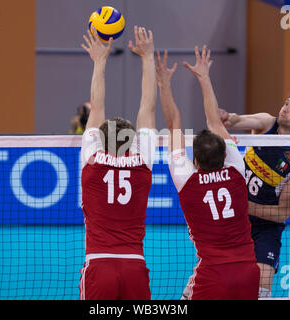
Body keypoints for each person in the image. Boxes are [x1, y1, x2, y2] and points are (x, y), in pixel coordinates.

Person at [156, 46, 259, 300]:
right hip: (248, 269)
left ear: (195, 160)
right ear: (224, 154)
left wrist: (164, 84)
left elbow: (173, 125)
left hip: (213, 274)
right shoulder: (237, 171)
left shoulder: (187, 181)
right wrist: (204, 77)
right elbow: (215, 122)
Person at [78, 26, 157, 300]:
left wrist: (100, 62)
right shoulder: (143, 160)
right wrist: (147, 58)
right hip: (135, 264)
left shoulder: (91, 159)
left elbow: (96, 107)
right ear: (132, 139)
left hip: (99, 264)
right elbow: (147, 107)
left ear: (100, 139)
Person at [219, 91, 290, 298]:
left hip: (266, 230)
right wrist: (226, 117)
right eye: (286, 103)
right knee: (214, 279)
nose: (285, 108)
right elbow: (236, 120)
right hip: (235, 220)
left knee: (261, 288)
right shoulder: (266, 124)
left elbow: (283, 214)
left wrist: (244, 205)